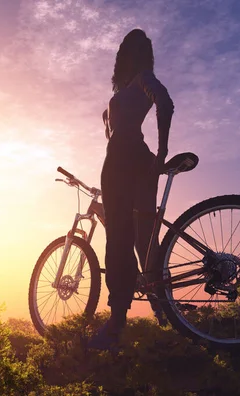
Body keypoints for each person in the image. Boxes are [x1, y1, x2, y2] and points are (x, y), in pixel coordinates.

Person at [89, 28, 174, 351]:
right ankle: (163, 311)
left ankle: (116, 324)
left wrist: (164, 152)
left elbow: (165, 102)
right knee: (143, 239)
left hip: (122, 165)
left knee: (120, 240)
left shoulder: (141, 78)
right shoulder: (130, 86)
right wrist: (157, 155)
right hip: (139, 162)